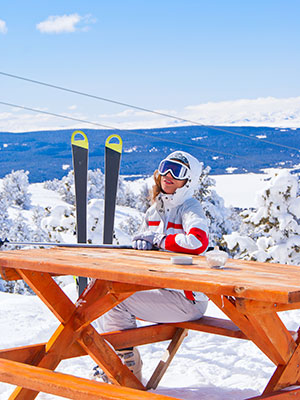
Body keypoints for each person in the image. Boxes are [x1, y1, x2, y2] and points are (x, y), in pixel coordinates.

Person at [95, 151, 209, 382]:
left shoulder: (189, 207)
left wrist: (158, 241)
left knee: (113, 301)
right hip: (162, 291)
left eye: (177, 172)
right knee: (100, 298)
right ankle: (117, 362)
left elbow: (198, 241)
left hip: (187, 299)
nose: (168, 175)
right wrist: (141, 247)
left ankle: (124, 369)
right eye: (165, 167)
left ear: (188, 181)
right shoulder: (153, 211)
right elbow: (149, 248)